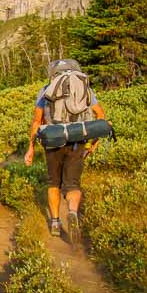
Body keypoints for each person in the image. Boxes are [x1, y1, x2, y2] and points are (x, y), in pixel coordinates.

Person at [24, 60, 106, 242]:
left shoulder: (46, 90)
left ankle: (54, 222)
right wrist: (94, 141)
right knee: (73, 184)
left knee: (54, 182)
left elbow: (37, 121)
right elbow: (100, 116)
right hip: (78, 139)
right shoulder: (86, 88)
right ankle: (72, 212)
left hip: (53, 139)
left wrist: (30, 147)